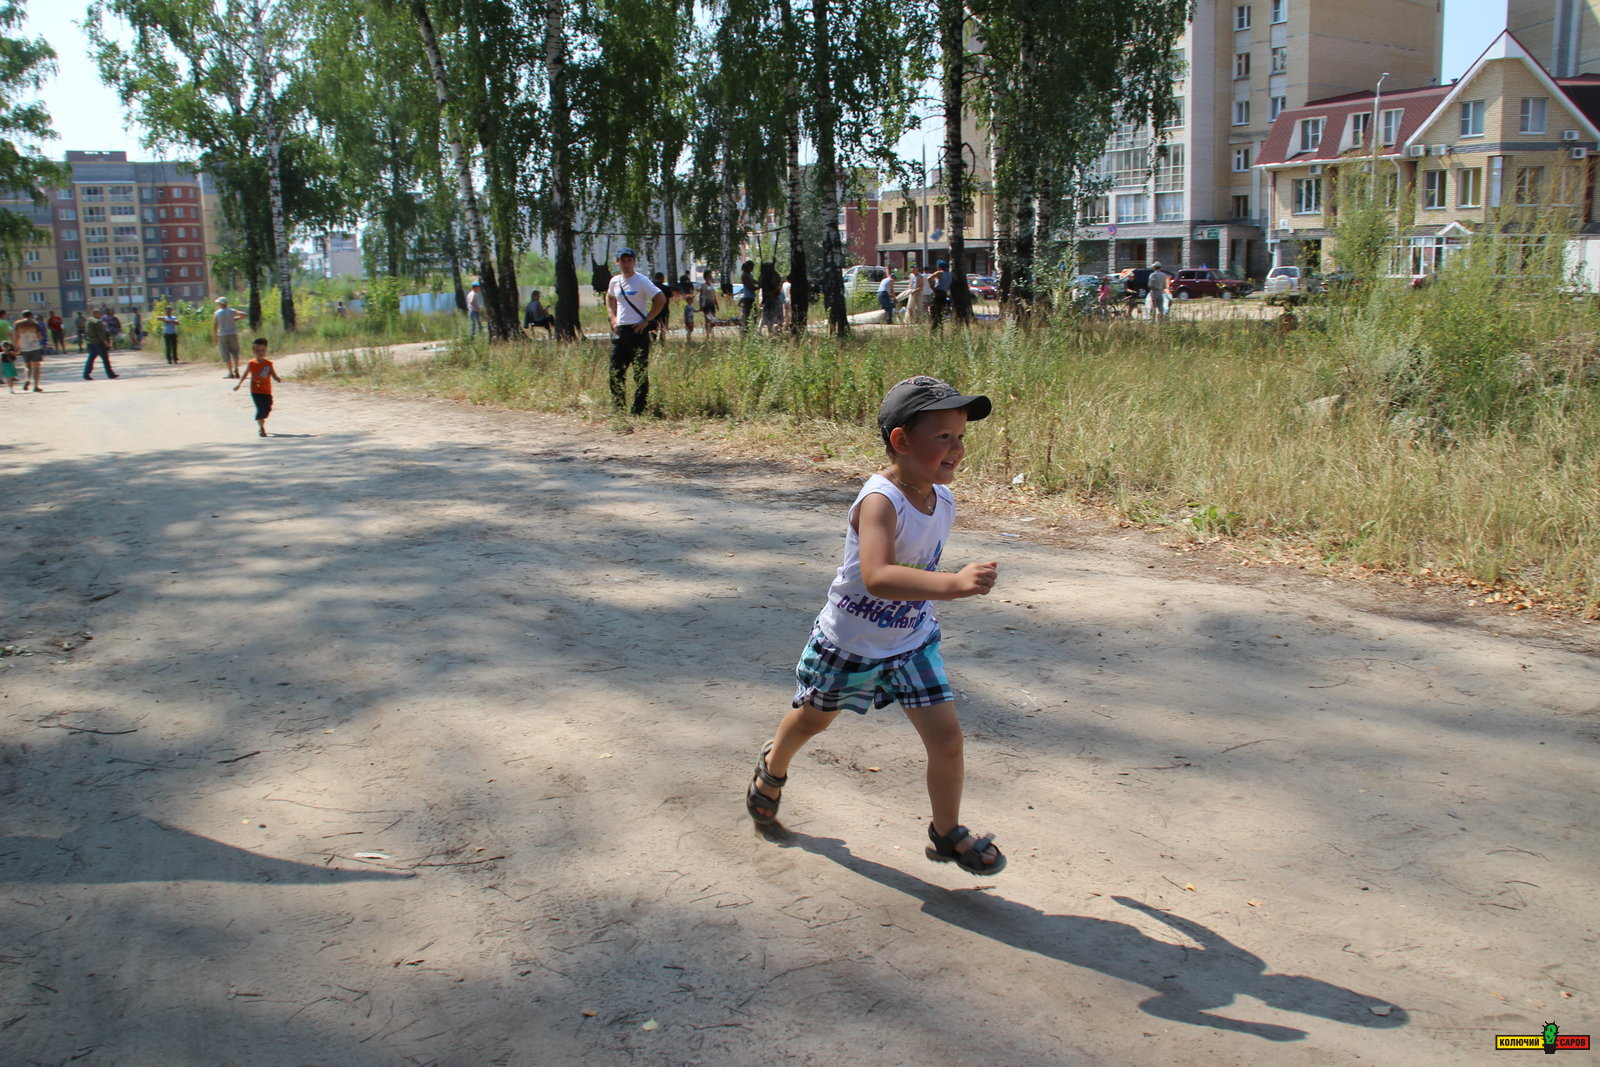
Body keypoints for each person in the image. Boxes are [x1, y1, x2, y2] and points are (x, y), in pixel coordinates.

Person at [745, 375, 1006, 876]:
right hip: (850, 644)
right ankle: (773, 767)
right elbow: (879, 576)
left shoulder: (942, 498)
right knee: (813, 719)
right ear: (901, 441)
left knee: (947, 741)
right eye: (943, 437)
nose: (957, 448)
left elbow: (915, 569)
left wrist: (941, 590)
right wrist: (954, 584)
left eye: (961, 436)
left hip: (912, 642)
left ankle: (946, 832)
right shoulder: (880, 500)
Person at [604, 247, 665, 415]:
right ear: (618, 262)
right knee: (615, 371)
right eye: (623, 261)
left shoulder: (641, 280)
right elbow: (609, 297)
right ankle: (618, 408)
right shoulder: (615, 281)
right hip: (620, 330)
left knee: (639, 372)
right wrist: (612, 317)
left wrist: (647, 321)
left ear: (634, 262)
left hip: (637, 331)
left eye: (629, 260)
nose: (626, 264)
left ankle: (639, 409)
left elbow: (660, 299)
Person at [233, 337, 282, 437]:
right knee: (260, 409)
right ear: (254, 351)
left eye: (263, 350)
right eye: (258, 351)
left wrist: (277, 378)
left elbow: (273, 374)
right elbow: (245, 374)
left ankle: (262, 421)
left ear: (266, 350)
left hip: (266, 391)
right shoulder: (251, 364)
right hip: (255, 391)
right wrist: (239, 384)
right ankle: (261, 428)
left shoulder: (268, 364)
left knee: (267, 408)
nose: (261, 353)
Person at [212, 297, 246, 377]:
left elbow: (215, 326)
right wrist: (236, 319)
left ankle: (230, 373)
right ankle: (236, 368)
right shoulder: (231, 311)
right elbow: (244, 315)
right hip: (233, 334)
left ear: (220, 304)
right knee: (235, 352)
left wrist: (215, 338)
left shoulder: (217, 313)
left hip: (222, 335)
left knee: (226, 354)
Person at [14, 310, 45, 392]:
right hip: (35, 347)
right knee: (36, 367)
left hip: (24, 347)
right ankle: (36, 386)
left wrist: (16, 346)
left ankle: (27, 379)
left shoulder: (18, 324)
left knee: (27, 366)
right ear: (31, 315)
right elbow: (39, 337)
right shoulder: (35, 324)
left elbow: (16, 336)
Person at [83, 308, 118, 380]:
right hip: (99, 343)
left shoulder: (88, 321)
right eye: (99, 313)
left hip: (91, 342)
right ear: (95, 314)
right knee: (105, 359)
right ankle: (110, 374)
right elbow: (100, 334)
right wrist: (106, 342)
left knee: (91, 359)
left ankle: (86, 374)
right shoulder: (98, 322)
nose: (101, 315)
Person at [648, 271, 673, 341]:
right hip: (664, 310)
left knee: (654, 326)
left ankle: (653, 340)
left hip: (654, 309)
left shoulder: (652, 287)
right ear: (661, 278)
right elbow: (671, 295)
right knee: (663, 327)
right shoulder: (665, 288)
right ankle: (662, 341)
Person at [928, 259, 953, 330]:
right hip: (944, 293)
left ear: (939, 266)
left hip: (938, 293)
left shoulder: (940, 272)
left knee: (934, 310)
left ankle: (934, 327)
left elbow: (929, 278)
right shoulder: (950, 275)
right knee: (941, 310)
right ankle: (940, 326)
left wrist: (932, 287)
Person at [697, 270, 720, 340]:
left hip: (712, 304)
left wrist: (717, 304)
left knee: (713, 319)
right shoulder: (703, 285)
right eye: (709, 275)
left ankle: (711, 333)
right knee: (707, 319)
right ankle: (707, 335)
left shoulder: (712, 285)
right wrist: (701, 305)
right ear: (705, 276)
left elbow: (714, 295)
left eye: (711, 275)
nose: (710, 276)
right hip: (706, 304)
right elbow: (701, 296)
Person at [738, 260, 757, 329]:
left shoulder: (749, 275)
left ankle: (751, 328)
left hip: (752, 297)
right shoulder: (745, 275)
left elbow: (754, 281)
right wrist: (759, 287)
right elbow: (751, 287)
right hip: (748, 298)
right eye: (752, 267)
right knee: (747, 315)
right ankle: (745, 329)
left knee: (754, 314)